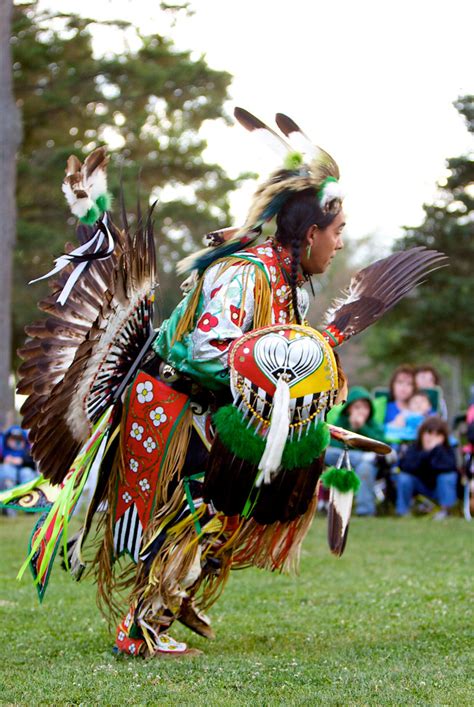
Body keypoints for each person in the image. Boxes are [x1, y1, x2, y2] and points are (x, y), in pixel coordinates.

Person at [12, 109, 445, 658]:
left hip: (208, 410)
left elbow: (278, 355)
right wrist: (276, 374)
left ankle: (174, 591)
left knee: (226, 515)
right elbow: (205, 350)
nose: (339, 245)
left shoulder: (292, 285)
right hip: (169, 405)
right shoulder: (247, 273)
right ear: (311, 232)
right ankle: (141, 628)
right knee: (200, 511)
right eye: (336, 234)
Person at [325, 387, 385, 516]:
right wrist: (351, 429)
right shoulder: (341, 423)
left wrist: (362, 428)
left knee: (365, 468)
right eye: (357, 407)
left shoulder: (373, 425)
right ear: (349, 408)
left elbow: (379, 445)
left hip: (367, 464)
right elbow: (333, 444)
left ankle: (365, 510)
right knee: (327, 454)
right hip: (341, 459)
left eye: (365, 407)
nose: (361, 411)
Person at [394, 416, 458, 519]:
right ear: (421, 434)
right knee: (404, 477)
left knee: (448, 477)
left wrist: (436, 450)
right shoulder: (414, 448)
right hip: (418, 486)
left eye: (437, 434)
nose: (431, 438)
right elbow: (406, 467)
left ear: (443, 437)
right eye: (429, 433)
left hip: (439, 488)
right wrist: (426, 453)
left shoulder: (447, 450)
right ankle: (402, 512)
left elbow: (450, 467)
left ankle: (446, 511)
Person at [0, 426, 36, 516]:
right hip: (9, 477)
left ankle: (30, 507)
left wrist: (22, 460)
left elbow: (33, 463)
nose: (16, 442)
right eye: (13, 439)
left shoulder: (28, 450)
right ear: (7, 440)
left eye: (19, 439)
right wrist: (5, 460)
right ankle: (9, 508)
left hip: (24, 477)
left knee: (27, 472)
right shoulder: (2, 449)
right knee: (6, 469)